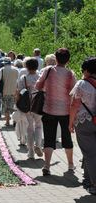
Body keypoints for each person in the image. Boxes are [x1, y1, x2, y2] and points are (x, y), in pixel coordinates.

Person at [35, 48, 76, 176]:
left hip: (49, 109)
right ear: (68, 60)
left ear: (56, 59)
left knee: (49, 138)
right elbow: (73, 93)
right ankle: (70, 164)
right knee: (67, 138)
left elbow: (38, 86)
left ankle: (47, 165)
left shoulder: (48, 70)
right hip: (65, 111)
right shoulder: (70, 74)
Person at [69, 57, 96, 195]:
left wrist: (70, 123)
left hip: (85, 122)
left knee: (90, 153)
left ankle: (94, 184)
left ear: (86, 70)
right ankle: (88, 178)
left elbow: (74, 105)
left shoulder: (82, 84)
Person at [17, 58, 43, 159]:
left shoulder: (23, 78)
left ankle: (31, 151)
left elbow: (19, 92)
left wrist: (18, 105)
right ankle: (38, 145)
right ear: (37, 66)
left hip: (27, 105)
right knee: (39, 126)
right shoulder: (41, 77)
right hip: (39, 104)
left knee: (29, 128)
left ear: (26, 67)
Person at [0, 57, 19, 126]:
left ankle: (7, 121)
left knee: (6, 107)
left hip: (5, 91)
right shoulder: (16, 69)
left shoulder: (2, 69)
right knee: (14, 106)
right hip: (14, 91)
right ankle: (14, 121)